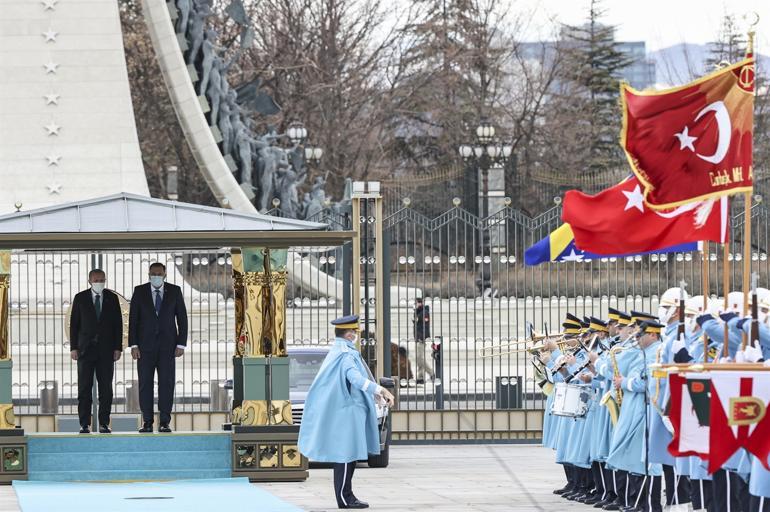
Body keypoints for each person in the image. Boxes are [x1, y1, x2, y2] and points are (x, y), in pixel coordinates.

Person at [298, 315, 395, 509]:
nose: (357, 335)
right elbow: (356, 379)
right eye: (356, 332)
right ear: (350, 334)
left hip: (347, 411)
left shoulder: (342, 351)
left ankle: (348, 495)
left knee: (349, 456)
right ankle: (344, 498)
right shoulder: (346, 354)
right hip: (346, 413)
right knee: (344, 456)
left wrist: (373, 395)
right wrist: (380, 390)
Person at [129, 262, 188, 433]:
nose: (155, 276)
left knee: (167, 383)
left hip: (168, 347)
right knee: (145, 384)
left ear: (165, 274)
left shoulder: (174, 291)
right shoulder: (139, 291)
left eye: (158, 273)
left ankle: (165, 421)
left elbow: (182, 318)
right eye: (153, 273)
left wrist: (181, 343)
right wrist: (133, 344)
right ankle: (147, 421)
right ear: (149, 274)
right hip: (144, 347)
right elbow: (133, 319)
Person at [69, 269, 123, 434]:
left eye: (102, 279)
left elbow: (118, 324)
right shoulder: (80, 298)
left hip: (106, 351)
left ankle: (104, 423)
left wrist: (118, 347)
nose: (99, 282)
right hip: (85, 350)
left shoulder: (112, 298)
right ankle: (84, 424)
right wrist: (74, 347)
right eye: (96, 279)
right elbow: (74, 324)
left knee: (106, 388)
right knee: (84, 388)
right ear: (89, 281)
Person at [412, 298, 434, 383]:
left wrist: (422, 337)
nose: (416, 304)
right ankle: (420, 377)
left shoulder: (424, 313)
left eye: (417, 303)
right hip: (417, 338)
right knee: (419, 358)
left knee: (419, 358)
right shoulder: (418, 312)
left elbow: (425, 327)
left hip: (421, 339)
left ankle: (431, 373)